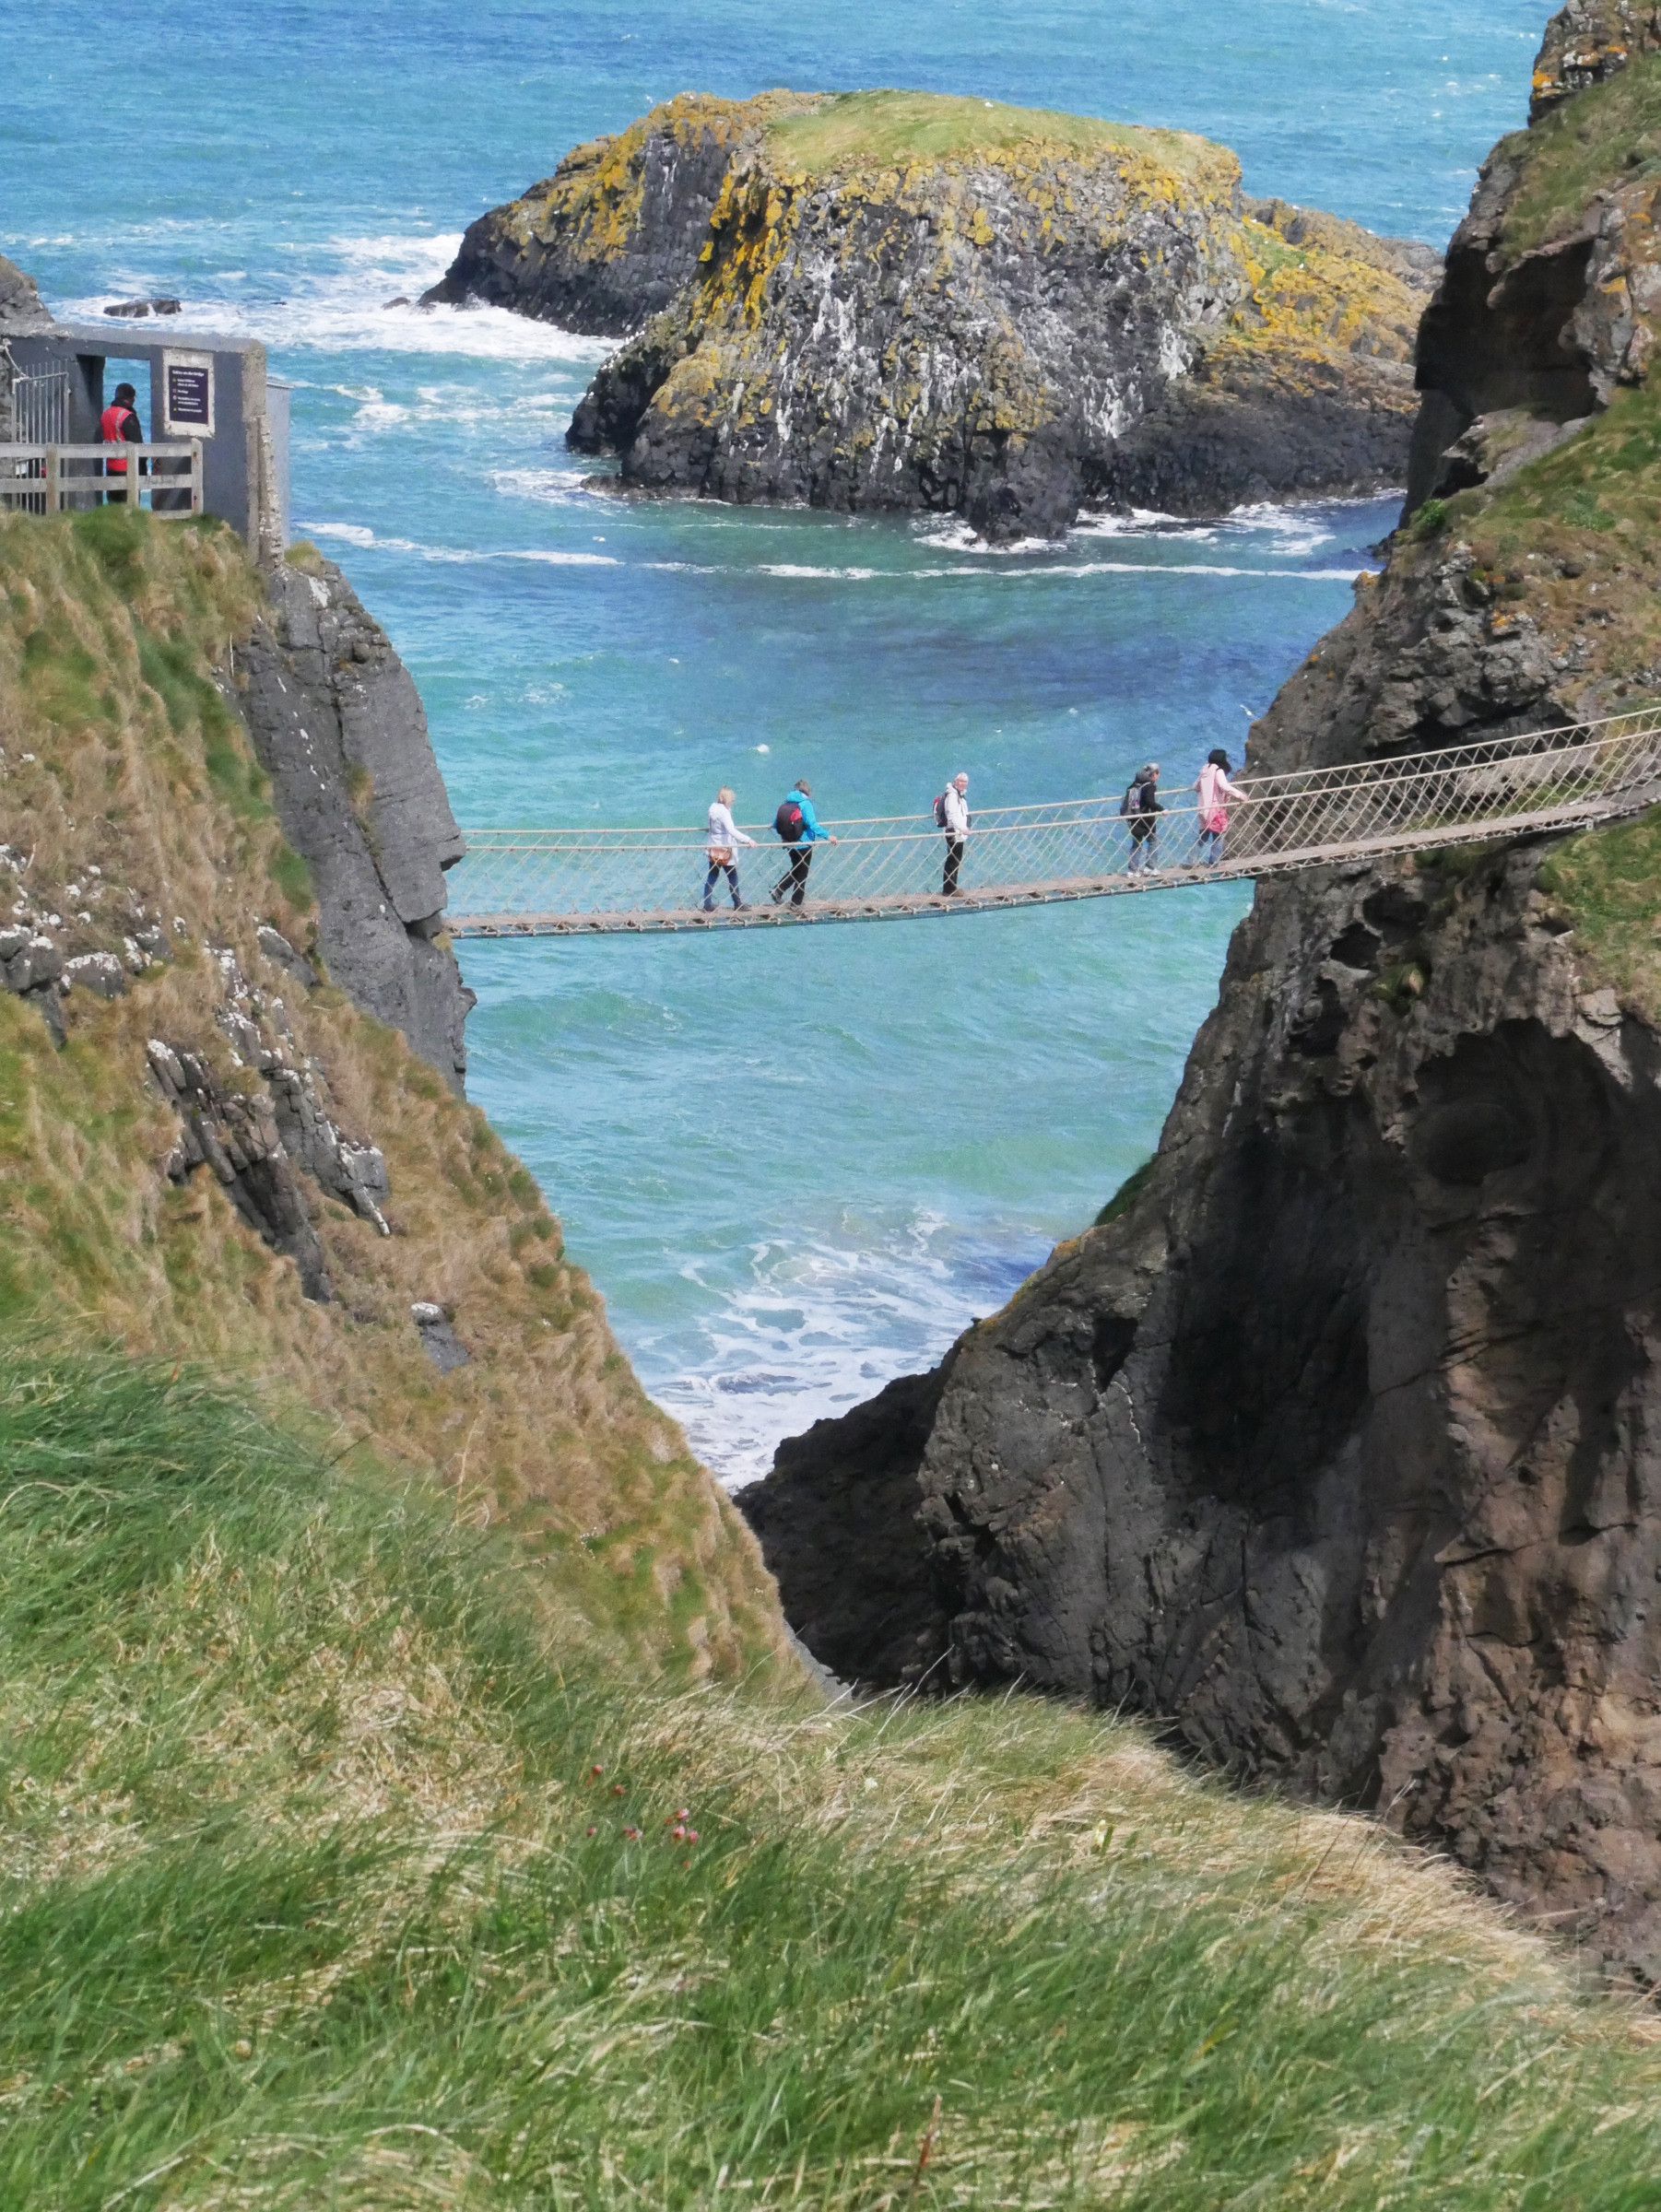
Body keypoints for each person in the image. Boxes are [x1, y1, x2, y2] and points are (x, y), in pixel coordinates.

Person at [771, 779, 837, 906]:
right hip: (804, 843)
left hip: (789, 842)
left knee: (797, 869)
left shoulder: (787, 802)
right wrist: (828, 836)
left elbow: (776, 823)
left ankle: (779, 891)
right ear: (807, 791)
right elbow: (812, 825)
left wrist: (774, 826)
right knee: (802, 872)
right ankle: (795, 902)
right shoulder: (805, 804)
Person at [702, 785, 755, 911]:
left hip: (714, 848)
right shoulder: (724, 812)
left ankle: (707, 904)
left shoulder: (712, 808)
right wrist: (748, 840)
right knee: (732, 876)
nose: (733, 802)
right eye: (732, 799)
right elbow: (731, 830)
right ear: (727, 799)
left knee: (712, 876)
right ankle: (737, 903)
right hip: (725, 850)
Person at [1195, 747, 1243, 865]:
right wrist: (1240, 795)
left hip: (1202, 809)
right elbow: (1224, 786)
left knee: (1203, 835)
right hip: (1214, 809)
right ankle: (1214, 862)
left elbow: (1196, 786)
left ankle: (1192, 860)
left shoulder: (1204, 769)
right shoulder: (1218, 771)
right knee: (1218, 835)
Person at [100, 382, 143, 504]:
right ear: (130, 399)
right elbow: (138, 445)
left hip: (110, 467)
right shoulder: (127, 416)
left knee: (114, 505)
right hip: (126, 468)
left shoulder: (105, 414)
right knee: (129, 505)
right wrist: (143, 472)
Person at [1120, 762, 1162, 875]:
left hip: (1134, 818)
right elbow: (1149, 802)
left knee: (1137, 843)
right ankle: (1150, 867)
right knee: (1153, 841)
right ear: (1154, 774)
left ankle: (1132, 870)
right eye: (1158, 773)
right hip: (1146, 818)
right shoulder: (1150, 786)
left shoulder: (1135, 784)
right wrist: (1161, 809)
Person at [938, 772, 970, 895]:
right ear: (955, 781)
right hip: (954, 831)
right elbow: (952, 815)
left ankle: (951, 887)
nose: (962, 784)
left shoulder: (959, 795)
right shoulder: (952, 795)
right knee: (953, 859)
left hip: (957, 831)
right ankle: (949, 889)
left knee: (955, 859)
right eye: (960, 781)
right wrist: (963, 828)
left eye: (965, 782)